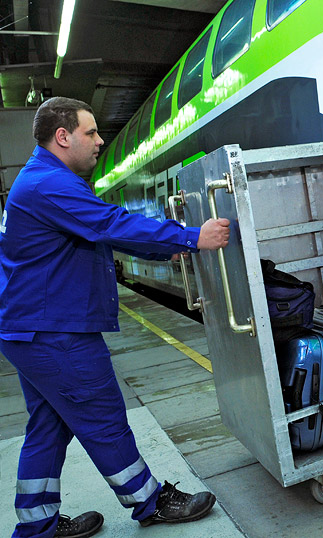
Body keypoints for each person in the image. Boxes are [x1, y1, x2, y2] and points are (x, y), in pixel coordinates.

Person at [0, 97, 231, 538]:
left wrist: (173, 245)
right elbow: (110, 224)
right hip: (56, 332)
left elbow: (103, 233)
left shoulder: (38, 181)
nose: (100, 140)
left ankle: (36, 526)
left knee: (49, 427)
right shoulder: (49, 184)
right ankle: (150, 501)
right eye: (91, 132)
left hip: (31, 328)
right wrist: (192, 236)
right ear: (62, 136)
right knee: (102, 417)